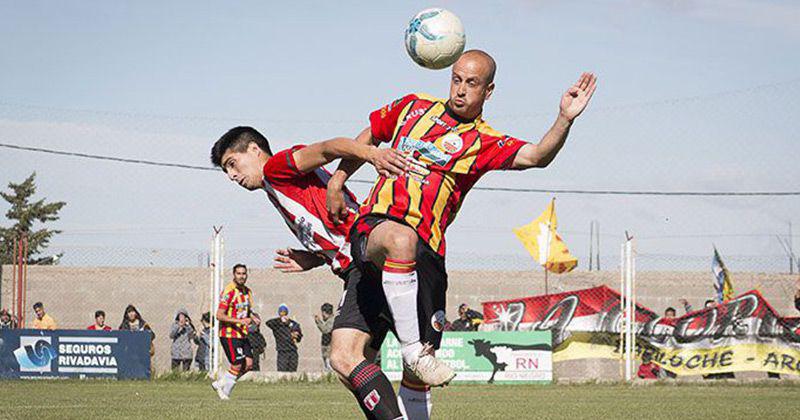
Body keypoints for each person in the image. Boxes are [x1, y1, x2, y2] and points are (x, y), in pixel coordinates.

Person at [326, 49, 596, 415]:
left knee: (407, 377)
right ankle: (411, 349)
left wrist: (564, 118)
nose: (460, 90)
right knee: (345, 351)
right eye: (456, 79)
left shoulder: (483, 141)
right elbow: (371, 134)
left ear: (489, 91)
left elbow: (536, 156)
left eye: (471, 83)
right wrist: (339, 178)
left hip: (427, 257)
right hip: (376, 231)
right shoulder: (412, 107)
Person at [211, 127, 414, 417]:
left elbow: (327, 148)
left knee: (345, 358)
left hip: (365, 262)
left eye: (232, 163)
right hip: (357, 265)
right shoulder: (275, 188)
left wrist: (373, 154)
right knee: (353, 369)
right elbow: (330, 225)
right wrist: (316, 258)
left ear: (254, 150)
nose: (232, 176)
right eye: (226, 171)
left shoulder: (276, 168)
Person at [211, 264, 260, 400]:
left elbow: (246, 311)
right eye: (238, 273)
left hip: (242, 334)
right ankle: (225, 392)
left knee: (249, 364)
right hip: (229, 334)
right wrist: (240, 321)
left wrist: (254, 316)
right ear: (234, 274)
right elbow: (219, 315)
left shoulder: (248, 292)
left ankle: (221, 383)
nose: (241, 276)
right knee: (237, 363)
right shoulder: (229, 292)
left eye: (243, 273)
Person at [119, 304, 156, 376]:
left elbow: (152, 335)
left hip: (142, 352)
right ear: (127, 314)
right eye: (129, 312)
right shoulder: (124, 325)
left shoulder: (143, 324)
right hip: (129, 352)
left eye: (132, 312)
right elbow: (121, 337)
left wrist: (144, 334)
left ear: (136, 313)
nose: (131, 314)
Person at [265, 304, 303, 372]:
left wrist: (296, 335)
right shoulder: (276, 325)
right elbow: (268, 323)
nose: (283, 313)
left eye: (284, 312)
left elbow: (299, 337)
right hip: (282, 351)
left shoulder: (293, 324)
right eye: (281, 312)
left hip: (292, 350)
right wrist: (280, 320)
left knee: (292, 372)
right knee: (282, 372)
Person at [314, 303, 335, 372]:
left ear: (324, 312)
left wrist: (318, 321)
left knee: (328, 365)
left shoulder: (332, 320)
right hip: (326, 346)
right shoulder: (329, 321)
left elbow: (325, 330)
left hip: (329, 346)